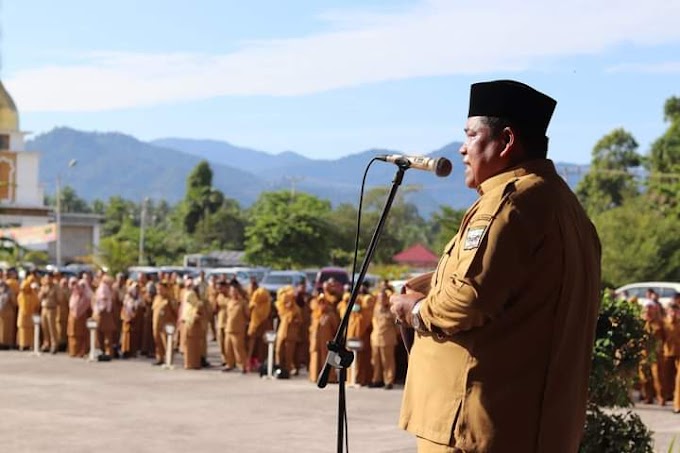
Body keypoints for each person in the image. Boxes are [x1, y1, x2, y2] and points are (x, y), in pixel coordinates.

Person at [389, 80, 601, 452]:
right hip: (534, 426)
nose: (462, 148)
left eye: (471, 135)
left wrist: (416, 310)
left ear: (505, 141)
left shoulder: (509, 204)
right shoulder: (564, 205)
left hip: (479, 424)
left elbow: (468, 302)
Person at [370, 288, 397, 389]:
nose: (381, 300)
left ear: (386, 298)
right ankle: (377, 380)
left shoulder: (391, 309)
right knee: (375, 360)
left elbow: (397, 325)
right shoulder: (375, 308)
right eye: (379, 298)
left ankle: (388, 381)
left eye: (383, 298)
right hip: (375, 338)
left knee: (387, 361)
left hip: (387, 339)